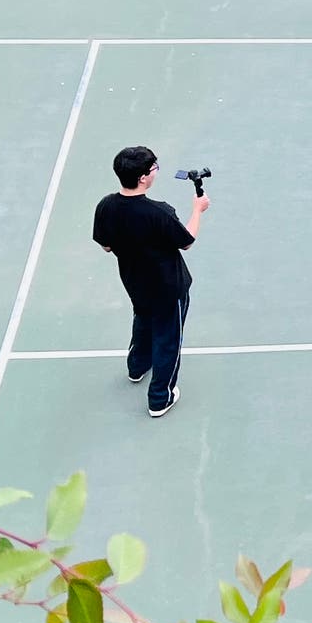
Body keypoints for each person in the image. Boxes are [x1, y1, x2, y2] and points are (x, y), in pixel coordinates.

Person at [93, 145, 207, 418]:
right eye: (154, 167)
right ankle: (160, 397)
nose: (156, 170)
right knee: (168, 340)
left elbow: (107, 246)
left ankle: (137, 367)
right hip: (169, 288)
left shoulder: (106, 206)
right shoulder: (160, 213)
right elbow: (187, 241)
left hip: (135, 283)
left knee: (143, 321)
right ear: (143, 177)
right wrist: (198, 210)